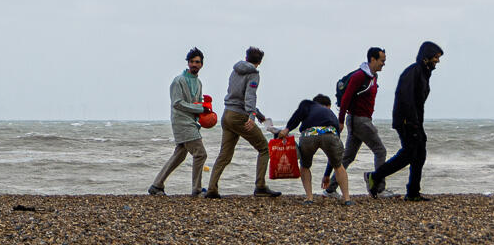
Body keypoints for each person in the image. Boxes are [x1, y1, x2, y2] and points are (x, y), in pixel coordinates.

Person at [367, 41, 444, 200]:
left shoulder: (424, 72)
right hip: (406, 120)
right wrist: (412, 122)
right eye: (436, 57)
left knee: (420, 153)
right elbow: (406, 98)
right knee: (409, 153)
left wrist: (418, 124)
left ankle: (413, 192)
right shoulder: (414, 71)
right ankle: (375, 176)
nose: (438, 61)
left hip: (415, 120)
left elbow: (418, 102)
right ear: (427, 56)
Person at [206, 46, 280, 198]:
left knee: (225, 154)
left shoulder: (235, 71)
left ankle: (212, 188)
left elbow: (237, 97)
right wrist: (252, 117)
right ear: (259, 62)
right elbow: (249, 96)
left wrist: (259, 115)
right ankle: (260, 186)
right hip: (240, 117)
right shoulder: (253, 74)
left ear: (246, 58)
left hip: (227, 115)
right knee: (264, 148)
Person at [324, 47, 387, 195]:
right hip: (359, 120)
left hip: (359, 120)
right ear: (372, 59)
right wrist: (340, 121)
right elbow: (346, 98)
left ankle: (330, 189)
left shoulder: (373, 77)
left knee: (348, 157)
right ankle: (378, 188)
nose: (383, 64)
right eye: (382, 60)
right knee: (380, 151)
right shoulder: (359, 76)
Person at [149, 48, 208, 196]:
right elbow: (177, 103)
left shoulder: (198, 82)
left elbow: (198, 101)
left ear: (202, 64)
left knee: (180, 154)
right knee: (200, 154)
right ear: (188, 63)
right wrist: (200, 109)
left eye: (198, 62)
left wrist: (205, 110)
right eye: (192, 62)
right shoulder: (179, 81)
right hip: (181, 122)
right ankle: (197, 189)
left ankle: (156, 185)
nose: (195, 64)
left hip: (192, 122)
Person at [282, 92, 351, 204]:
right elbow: (334, 150)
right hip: (330, 134)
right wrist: (327, 174)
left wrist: (287, 129)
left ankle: (309, 198)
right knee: (339, 166)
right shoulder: (330, 113)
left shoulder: (307, 104)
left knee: (305, 166)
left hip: (309, 134)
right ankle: (347, 199)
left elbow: (298, 115)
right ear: (327, 106)